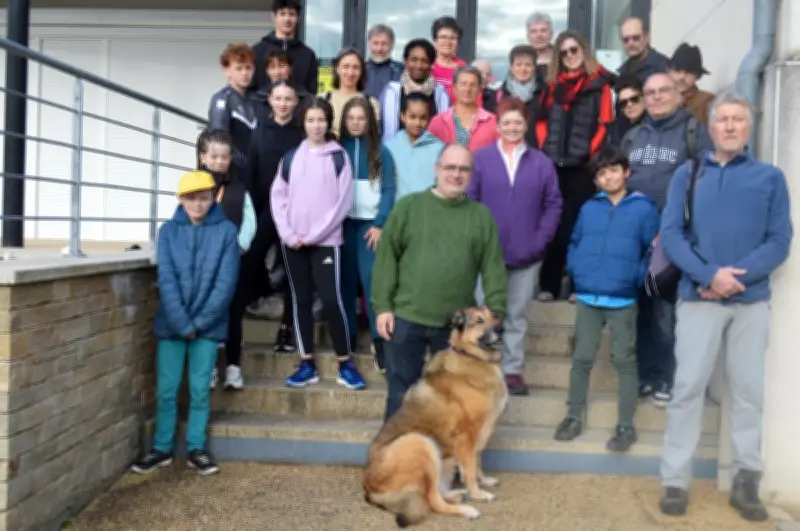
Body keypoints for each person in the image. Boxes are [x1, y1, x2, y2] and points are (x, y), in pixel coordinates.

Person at [658, 92, 792, 521]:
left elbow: (779, 240)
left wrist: (734, 279)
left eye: (738, 119)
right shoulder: (687, 174)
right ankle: (675, 480)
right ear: (711, 127)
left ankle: (745, 480)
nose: (731, 126)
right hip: (698, 298)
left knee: (749, 392)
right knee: (687, 389)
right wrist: (708, 275)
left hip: (750, 302)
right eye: (723, 119)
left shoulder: (770, 178)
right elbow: (672, 234)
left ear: (748, 128)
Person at [371, 143, 508, 420]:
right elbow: (386, 259)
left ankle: (445, 449)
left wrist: (494, 313)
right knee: (401, 395)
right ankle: (398, 447)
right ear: (437, 169)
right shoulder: (409, 207)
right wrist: (383, 307)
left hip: (456, 327)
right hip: (406, 318)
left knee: (452, 398)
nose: (456, 174)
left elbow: (493, 269)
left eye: (463, 169)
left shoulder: (481, 217)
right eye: (450, 167)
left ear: (471, 174)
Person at [131, 170, 239, 476]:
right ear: (181, 199)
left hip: (208, 326)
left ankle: (196, 448)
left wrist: (199, 323)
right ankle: (161, 448)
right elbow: (166, 279)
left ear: (213, 197)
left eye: (204, 198)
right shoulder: (167, 231)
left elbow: (225, 283)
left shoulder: (227, 232)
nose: (198, 204)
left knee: (199, 389)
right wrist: (182, 323)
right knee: (166, 389)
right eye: (191, 198)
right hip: (172, 325)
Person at [553, 145, 659, 452]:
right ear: (596, 180)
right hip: (589, 296)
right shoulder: (590, 208)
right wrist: (577, 270)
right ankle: (572, 417)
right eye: (602, 173)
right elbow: (575, 242)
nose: (608, 177)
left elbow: (653, 250)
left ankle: (625, 425)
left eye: (614, 170)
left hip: (623, 298)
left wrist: (635, 277)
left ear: (626, 172)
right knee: (581, 358)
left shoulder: (643, 208)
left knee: (625, 361)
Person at [622, 73, 712, 406]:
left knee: (665, 314)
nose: (657, 97)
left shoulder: (694, 133)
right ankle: (645, 375)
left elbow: (707, 184)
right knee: (638, 311)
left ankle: (667, 376)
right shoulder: (633, 137)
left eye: (664, 91)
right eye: (650, 93)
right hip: (635, 239)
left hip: (672, 239)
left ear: (678, 95)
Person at [270, 98, 366, 390]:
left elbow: (342, 204)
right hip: (293, 242)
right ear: (303, 122)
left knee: (331, 300)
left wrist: (313, 235)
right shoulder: (290, 158)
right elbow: (278, 197)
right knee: (300, 300)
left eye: (321, 120)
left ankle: (345, 363)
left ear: (329, 122)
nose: (316, 125)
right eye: (311, 120)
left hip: (326, 242)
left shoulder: (339, 158)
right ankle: (306, 364)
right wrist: (288, 234)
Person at [468, 98, 562, 396]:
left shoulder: (542, 163)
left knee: (516, 316)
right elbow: (470, 202)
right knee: (485, 315)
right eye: (506, 122)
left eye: (517, 122)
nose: (512, 127)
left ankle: (511, 371)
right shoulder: (481, 159)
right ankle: (483, 368)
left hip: (526, 255)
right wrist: (477, 241)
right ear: (497, 125)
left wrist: (539, 240)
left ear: (526, 125)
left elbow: (553, 204)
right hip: (486, 256)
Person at [535, 30, 614, 302]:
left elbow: (605, 123)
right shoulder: (551, 86)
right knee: (553, 226)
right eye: (564, 52)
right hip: (554, 166)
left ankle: (579, 286)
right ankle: (548, 286)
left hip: (582, 167)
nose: (570, 56)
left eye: (574, 50)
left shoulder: (599, 85)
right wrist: (546, 150)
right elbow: (541, 121)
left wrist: (588, 153)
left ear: (583, 50)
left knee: (581, 227)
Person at [245, 80, 306, 352]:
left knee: (293, 271)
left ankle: (286, 329)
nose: (283, 104)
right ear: (270, 100)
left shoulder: (301, 135)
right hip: (266, 211)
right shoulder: (258, 132)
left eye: (288, 99)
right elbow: (251, 173)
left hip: (294, 213)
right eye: (278, 98)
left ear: (295, 102)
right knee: (249, 258)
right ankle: (248, 305)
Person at [195, 129, 256, 391]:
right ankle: (209, 367)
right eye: (214, 156)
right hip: (203, 265)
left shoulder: (239, 189)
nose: (220, 161)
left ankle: (233, 367)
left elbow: (250, 222)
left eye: (224, 157)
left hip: (232, 263)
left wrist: (238, 247)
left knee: (233, 314)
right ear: (202, 157)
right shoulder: (194, 187)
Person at [339, 97, 397, 373]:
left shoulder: (381, 151)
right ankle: (348, 334)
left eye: (361, 118)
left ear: (370, 121)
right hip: (342, 225)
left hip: (369, 228)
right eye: (351, 118)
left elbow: (388, 189)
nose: (355, 123)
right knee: (345, 282)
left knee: (372, 280)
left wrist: (380, 222)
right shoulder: (337, 149)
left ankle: (379, 338)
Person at [380, 39, 451, 142]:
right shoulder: (391, 92)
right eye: (414, 59)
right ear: (405, 61)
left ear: (431, 64)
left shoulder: (441, 94)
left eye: (425, 61)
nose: (419, 65)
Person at [208, 43, 258, 175]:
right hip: (232, 172)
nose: (245, 73)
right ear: (227, 71)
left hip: (255, 171)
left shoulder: (256, 99)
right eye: (238, 68)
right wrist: (243, 163)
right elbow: (220, 139)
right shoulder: (221, 99)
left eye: (248, 67)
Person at [384, 92, 445, 200]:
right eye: (412, 117)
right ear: (402, 116)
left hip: (427, 207)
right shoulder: (389, 147)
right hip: (399, 208)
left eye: (423, 118)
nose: (417, 122)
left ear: (429, 118)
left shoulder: (439, 149)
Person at [250, 0, 318, 94]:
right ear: (274, 16)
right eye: (282, 14)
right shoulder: (257, 51)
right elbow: (250, 88)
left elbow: (311, 92)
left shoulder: (308, 55)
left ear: (298, 17)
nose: (287, 19)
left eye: (292, 14)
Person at [428, 66, 498, 152]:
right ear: (454, 87)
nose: (467, 89)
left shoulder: (492, 122)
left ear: (480, 89)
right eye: (463, 84)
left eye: (473, 85)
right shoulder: (438, 122)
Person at [319, 48, 380, 138]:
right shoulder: (322, 99)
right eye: (346, 66)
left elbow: (373, 137)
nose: (350, 73)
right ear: (337, 68)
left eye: (356, 67)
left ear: (361, 71)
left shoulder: (371, 103)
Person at [494, 45, 542, 144]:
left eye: (528, 65)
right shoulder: (498, 95)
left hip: (536, 149)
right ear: (511, 67)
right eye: (518, 64)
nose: (523, 69)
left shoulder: (545, 93)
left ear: (534, 67)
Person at [251, 51, 314, 124]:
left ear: (290, 68)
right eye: (272, 67)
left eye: (281, 66)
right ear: (267, 71)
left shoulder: (305, 97)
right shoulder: (258, 98)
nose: (277, 72)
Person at [668, 43, 715, 125]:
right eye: (677, 70)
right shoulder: (658, 98)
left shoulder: (707, 101)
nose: (682, 77)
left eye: (689, 72)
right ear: (668, 71)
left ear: (698, 76)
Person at [617, 17, 669, 84]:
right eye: (626, 40)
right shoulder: (623, 72)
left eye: (636, 38)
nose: (630, 43)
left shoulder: (664, 67)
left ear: (647, 37)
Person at [430, 16, 467, 102]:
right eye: (443, 37)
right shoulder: (426, 65)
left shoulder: (464, 68)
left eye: (453, 38)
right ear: (434, 40)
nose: (448, 42)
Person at [365, 24, 404, 100]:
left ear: (392, 45)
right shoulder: (359, 70)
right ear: (368, 43)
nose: (379, 49)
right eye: (375, 43)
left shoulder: (402, 71)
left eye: (384, 44)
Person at [607, 74, 645, 146]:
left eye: (634, 99)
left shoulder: (656, 126)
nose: (629, 105)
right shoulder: (615, 131)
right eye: (624, 102)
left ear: (644, 98)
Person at [526, 12, 554, 84]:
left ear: (551, 34)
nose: (539, 35)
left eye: (543, 30)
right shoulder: (519, 61)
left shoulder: (564, 58)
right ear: (528, 36)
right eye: (534, 31)